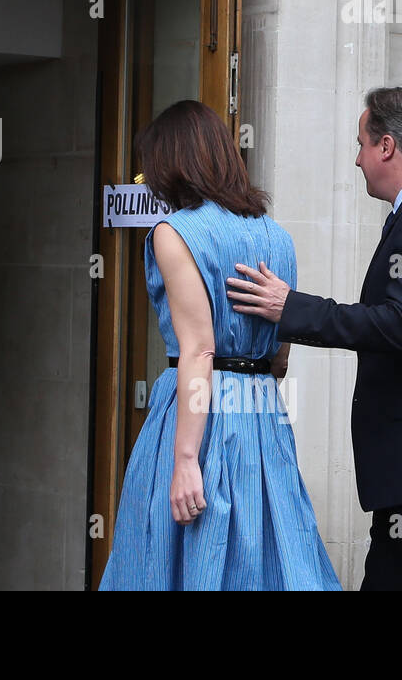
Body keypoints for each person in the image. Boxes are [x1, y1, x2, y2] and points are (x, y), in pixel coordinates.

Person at [226, 84, 402, 590]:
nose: (357, 160)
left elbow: (401, 324)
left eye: (361, 144)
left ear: (386, 147)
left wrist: (291, 307)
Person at [99, 100, 340, 591]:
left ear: (173, 162)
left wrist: (186, 458)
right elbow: (280, 356)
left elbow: (198, 351)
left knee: (177, 558)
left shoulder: (174, 233)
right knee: (270, 558)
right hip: (261, 414)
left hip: (196, 414)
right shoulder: (277, 236)